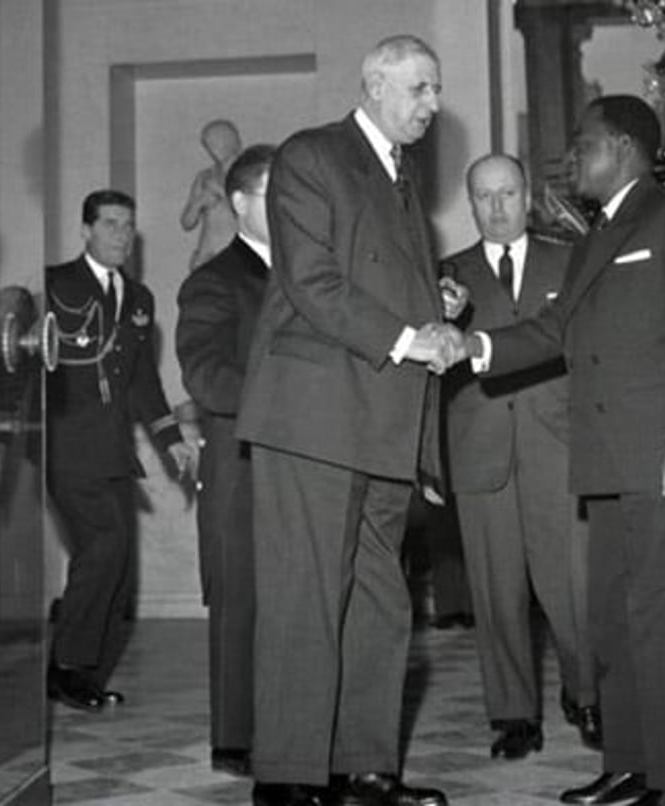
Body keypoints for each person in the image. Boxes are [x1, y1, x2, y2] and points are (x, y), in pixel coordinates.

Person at [449, 95, 665, 806]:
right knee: (611, 619)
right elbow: (552, 331)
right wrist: (472, 344)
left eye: (584, 144)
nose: (572, 157)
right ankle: (631, 765)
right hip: (606, 462)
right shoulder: (600, 230)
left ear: (625, 148)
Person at [234, 34, 455, 806]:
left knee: (379, 599)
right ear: (374, 84)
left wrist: (435, 312)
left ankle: (366, 768)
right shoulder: (313, 155)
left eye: (434, 90)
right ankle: (290, 777)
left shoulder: (400, 175)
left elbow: (381, 280)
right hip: (315, 416)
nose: (433, 105)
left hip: (384, 419)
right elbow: (313, 280)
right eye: (421, 88)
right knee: (306, 595)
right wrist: (407, 336)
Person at [441, 153, 599, 761]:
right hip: (480, 456)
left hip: (557, 450)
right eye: (484, 196)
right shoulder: (445, 275)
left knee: (572, 589)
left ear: (527, 194)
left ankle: (587, 697)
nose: (498, 206)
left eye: (508, 192)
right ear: (470, 202)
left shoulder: (573, 260)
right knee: (495, 592)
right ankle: (512, 715)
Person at [45, 189, 198, 712]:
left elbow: (142, 384)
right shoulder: (54, 284)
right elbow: (20, 364)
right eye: (110, 224)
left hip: (112, 452)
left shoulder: (139, 299)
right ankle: (65, 665)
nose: (121, 235)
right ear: (85, 229)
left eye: (128, 226)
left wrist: (170, 439)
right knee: (104, 548)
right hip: (65, 448)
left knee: (117, 567)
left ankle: (85, 672)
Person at [175, 143, 277, 777]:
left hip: (300, 465)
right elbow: (206, 375)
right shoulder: (213, 279)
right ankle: (235, 738)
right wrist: (286, 399)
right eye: (276, 194)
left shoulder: (306, 274)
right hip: (239, 467)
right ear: (239, 204)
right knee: (239, 599)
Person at [182, 119, 242, 271]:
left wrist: (220, 193)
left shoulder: (246, 175)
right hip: (208, 250)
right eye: (209, 144)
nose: (214, 149)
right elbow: (187, 222)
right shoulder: (205, 177)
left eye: (217, 142)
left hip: (237, 251)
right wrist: (199, 202)